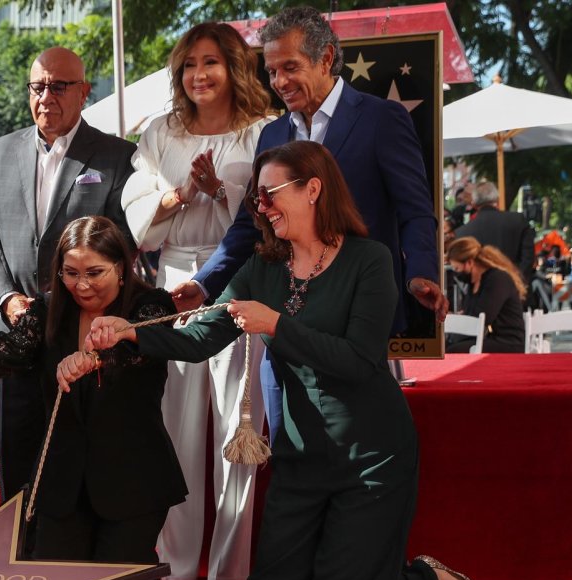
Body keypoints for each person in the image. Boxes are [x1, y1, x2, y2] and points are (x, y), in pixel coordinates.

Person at [83, 141, 486, 580]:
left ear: (313, 189)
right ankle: (357, 572)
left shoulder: (370, 260)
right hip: (301, 458)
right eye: (257, 200)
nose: (262, 208)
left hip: (371, 457)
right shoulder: (262, 267)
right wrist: (130, 332)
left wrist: (276, 324)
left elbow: (359, 362)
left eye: (270, 195)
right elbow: (199, 340)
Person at [0, 216, 185, 580]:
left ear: (121, 267)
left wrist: (93, 359)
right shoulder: (49, 308)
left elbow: (136, 348)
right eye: (70, 273)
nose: (82, 285)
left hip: (133, 478)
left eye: (94, 272)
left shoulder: (150, 305)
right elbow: (13, 347)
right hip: (62, 479)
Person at [173, 6, 446, 334]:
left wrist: (419, 272)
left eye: (290, 67)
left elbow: (414, 210)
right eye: (272, 71)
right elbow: (250, 225)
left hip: (359, 316)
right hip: (284, 315)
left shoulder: (382, 120)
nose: (279, 82)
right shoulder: (271, 134)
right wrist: (203, 284)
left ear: (326, 58)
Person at [119, 22, 273, 580]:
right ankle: (177, 563)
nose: (199, 74)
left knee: (238, 421)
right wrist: (179, 194)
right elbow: (137, 207)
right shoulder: (160, 131)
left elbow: (267, 210)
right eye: (189, 64)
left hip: (239, 275)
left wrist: (220, 192)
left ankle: (231, 568)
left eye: (211, 62)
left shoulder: (262, 132)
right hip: (176, 276)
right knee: (176, 421)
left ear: (234, 68)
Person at [0, 45, 138, 502]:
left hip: (81, 337)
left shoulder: (117, 157)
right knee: (16, 466)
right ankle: (18, 559)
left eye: (59, 86)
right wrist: (6, 299)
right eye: (38, 86)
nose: (47, 96)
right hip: (14, 332)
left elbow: (122, 244)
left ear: (84, 91)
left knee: (77, 465)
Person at [446, 237, 526, 353]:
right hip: (486, 338)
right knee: (444, 347)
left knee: (451, 351)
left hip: (508, 342)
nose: (456, 273)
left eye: (457, 268)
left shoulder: (497, 279)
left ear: (469, 262)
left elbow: (483, 317)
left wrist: (455, 319)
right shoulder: (473, 283)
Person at [454, 181, 535, 282]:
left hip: (482, 294)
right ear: (497, 199)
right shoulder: (518, 221)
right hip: (517, 291)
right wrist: (515, 282)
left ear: (473, 204)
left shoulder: (462, 233)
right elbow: (528, 259)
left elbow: (462, 272)